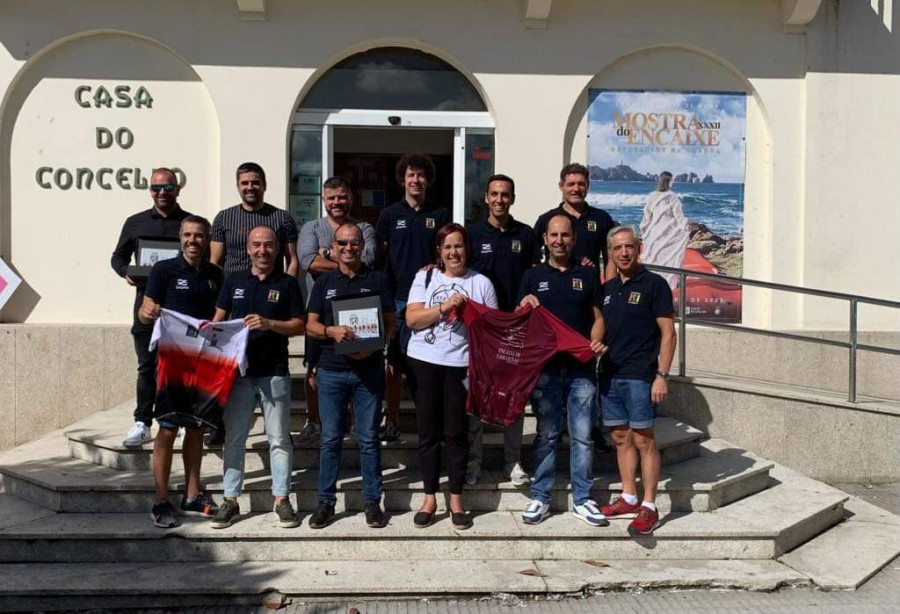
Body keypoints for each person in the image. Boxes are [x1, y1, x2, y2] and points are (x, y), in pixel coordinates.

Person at [209, 226, 305, 530]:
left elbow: (299, 325)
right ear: (247, 249)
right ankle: (231, 499)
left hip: (274, 371)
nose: (263, 251)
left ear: (277, 249)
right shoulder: (233, 280)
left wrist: (269, 324)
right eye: (257, 245)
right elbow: (217, 321)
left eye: (268, 245)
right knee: (235, 438)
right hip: (238, 374)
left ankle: (282, 499)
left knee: (278, 438)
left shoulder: (288, 284)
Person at [305, 223, 397, 529]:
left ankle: (372, 502)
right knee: (330, 440)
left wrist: (375, 346)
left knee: (369, 440)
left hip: (368, 371)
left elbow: (390, 323)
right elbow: (310, 326)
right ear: (333, 245)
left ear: (362, 246)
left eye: (354, 243)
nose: (348, 248)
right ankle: (326, 503)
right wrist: (331, 331)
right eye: (342, 242)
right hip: (332, 370)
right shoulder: (324, 282)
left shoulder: (378, 279)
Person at [405, 223, 497, 530]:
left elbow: (491, 330)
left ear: (467, 249)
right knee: (428, 433)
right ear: (439, 253)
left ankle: (456, 498)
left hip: (462, 366)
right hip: (424, 362)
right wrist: (444, 307)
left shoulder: (481, 283)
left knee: (456, 434)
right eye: (447, 247)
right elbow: (412, 319)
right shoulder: (425, 277)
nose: (453, 252)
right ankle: (429, 497)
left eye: (458, 246)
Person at [517, 214, 607, 527]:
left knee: (582, 437)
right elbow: (518, 320)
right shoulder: (531, 276)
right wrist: (523, 304)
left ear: (573, 239)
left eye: (565, 235)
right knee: (547, 435)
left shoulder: (588, 274)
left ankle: (582, 499)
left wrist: (596, 340)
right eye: (553, 235)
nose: (559, 241)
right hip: (546, 370)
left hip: (581, 369)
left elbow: (598, 317)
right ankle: (540, 496)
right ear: (544, 239)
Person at [137, 215, 224, 528]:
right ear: (180, 237)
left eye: (199, 236)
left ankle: (191, 495)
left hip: (206, 361)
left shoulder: (216, 274)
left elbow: (221, 314)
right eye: (187, 235)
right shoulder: (163, 270)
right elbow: (145, 310)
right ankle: (161, 500)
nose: (193, 241)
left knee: (198, 429)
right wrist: (147, 312)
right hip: (174, 361)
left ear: (207, 238)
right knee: (169, 429)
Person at [209, 162, 300, 445]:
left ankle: (279, 428)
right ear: (238, 186)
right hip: (235, 297)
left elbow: (292, 260)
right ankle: (219, 425)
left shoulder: (281, 218)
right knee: (228, 368)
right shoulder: (224, 218)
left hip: (271, 296)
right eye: (245, 182)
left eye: (255, 182)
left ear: (264, 184)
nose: (250, 187)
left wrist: (285, 292)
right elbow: (215, 262)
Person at [599, 226, 676, 536]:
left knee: (644, 440)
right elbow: (600, 327)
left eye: (629, 246)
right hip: (610, 376)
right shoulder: (608, 288)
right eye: (617, 248)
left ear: (639, 248)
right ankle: (629, 496)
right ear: (610, 253)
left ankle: (649, 506)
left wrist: (663, 376)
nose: (624, 252)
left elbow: (669, 333)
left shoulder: (654, 284)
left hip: (641, 376)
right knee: (620, 438)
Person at [112, 168, 192, 447]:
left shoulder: (190, 224)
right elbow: (117, 257)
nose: (162, 193)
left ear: (177, 189)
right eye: (156, 188)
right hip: (146, 305)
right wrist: (126, 271)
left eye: (168, 188)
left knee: (181, 366)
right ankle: (143, 422)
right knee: (147, 367)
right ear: (150, 190)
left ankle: (181, 419)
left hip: (182, 308)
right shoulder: (135, 223)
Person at [296, 176, 377, 445]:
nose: (336, 202)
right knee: (312, 369)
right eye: (331, 198)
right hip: (320, 311)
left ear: (350, 198)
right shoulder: (311, 227)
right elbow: (308, 261)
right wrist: (347, 262)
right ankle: (314, 421)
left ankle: (354, 423)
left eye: (341, 197)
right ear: (323, 200)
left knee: (357, 366)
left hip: (359, 309)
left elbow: (369, 259)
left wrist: (330, 255)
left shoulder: (363, 227)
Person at [376, 154, 452, 442]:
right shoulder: (389, 215)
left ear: (428, 180)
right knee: (394, 362)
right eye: (411, 175)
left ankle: (431, 422)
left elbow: (448, 253)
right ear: (402, 179)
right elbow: (380, 258)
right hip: (397, 298)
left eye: (421, 175)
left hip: (432, 300)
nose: (416, 180)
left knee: (430, 361)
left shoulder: (441, 214)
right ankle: (392, 419)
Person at [464, 174, 534, 486]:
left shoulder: (526, 234)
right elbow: (457, 269)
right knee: (477, 396)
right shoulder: (472, 233)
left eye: (505, 194)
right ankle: (473, 462)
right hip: (481, 331)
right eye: (494, 194)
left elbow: (534, 275)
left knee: (514, 398)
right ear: (486, 198)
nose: (499, 200)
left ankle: (512, 461)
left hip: (515, 329)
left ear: (513, 198)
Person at [532, 163, 617, 281]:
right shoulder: (547, 219)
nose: (576, 189)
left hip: (590, 289)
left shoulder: (602, 218)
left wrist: (609, 290)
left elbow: (611, 259)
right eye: (571, 184)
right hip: (554, 285)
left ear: (587, 186)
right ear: (561, 186)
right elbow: (532, 256)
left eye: (581, 184)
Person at [639, 171, 690, 290]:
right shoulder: (672, 197)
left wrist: (644, 227)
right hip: (669, 233)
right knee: (669, 257)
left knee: (656, 257)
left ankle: (653, 281)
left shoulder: (652, 196)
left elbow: (647, 215)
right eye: (672, 180)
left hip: (655, 233)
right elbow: (678, 215)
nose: (674, 182)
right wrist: (684, 226)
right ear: (667, 181)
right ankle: (666, 281)